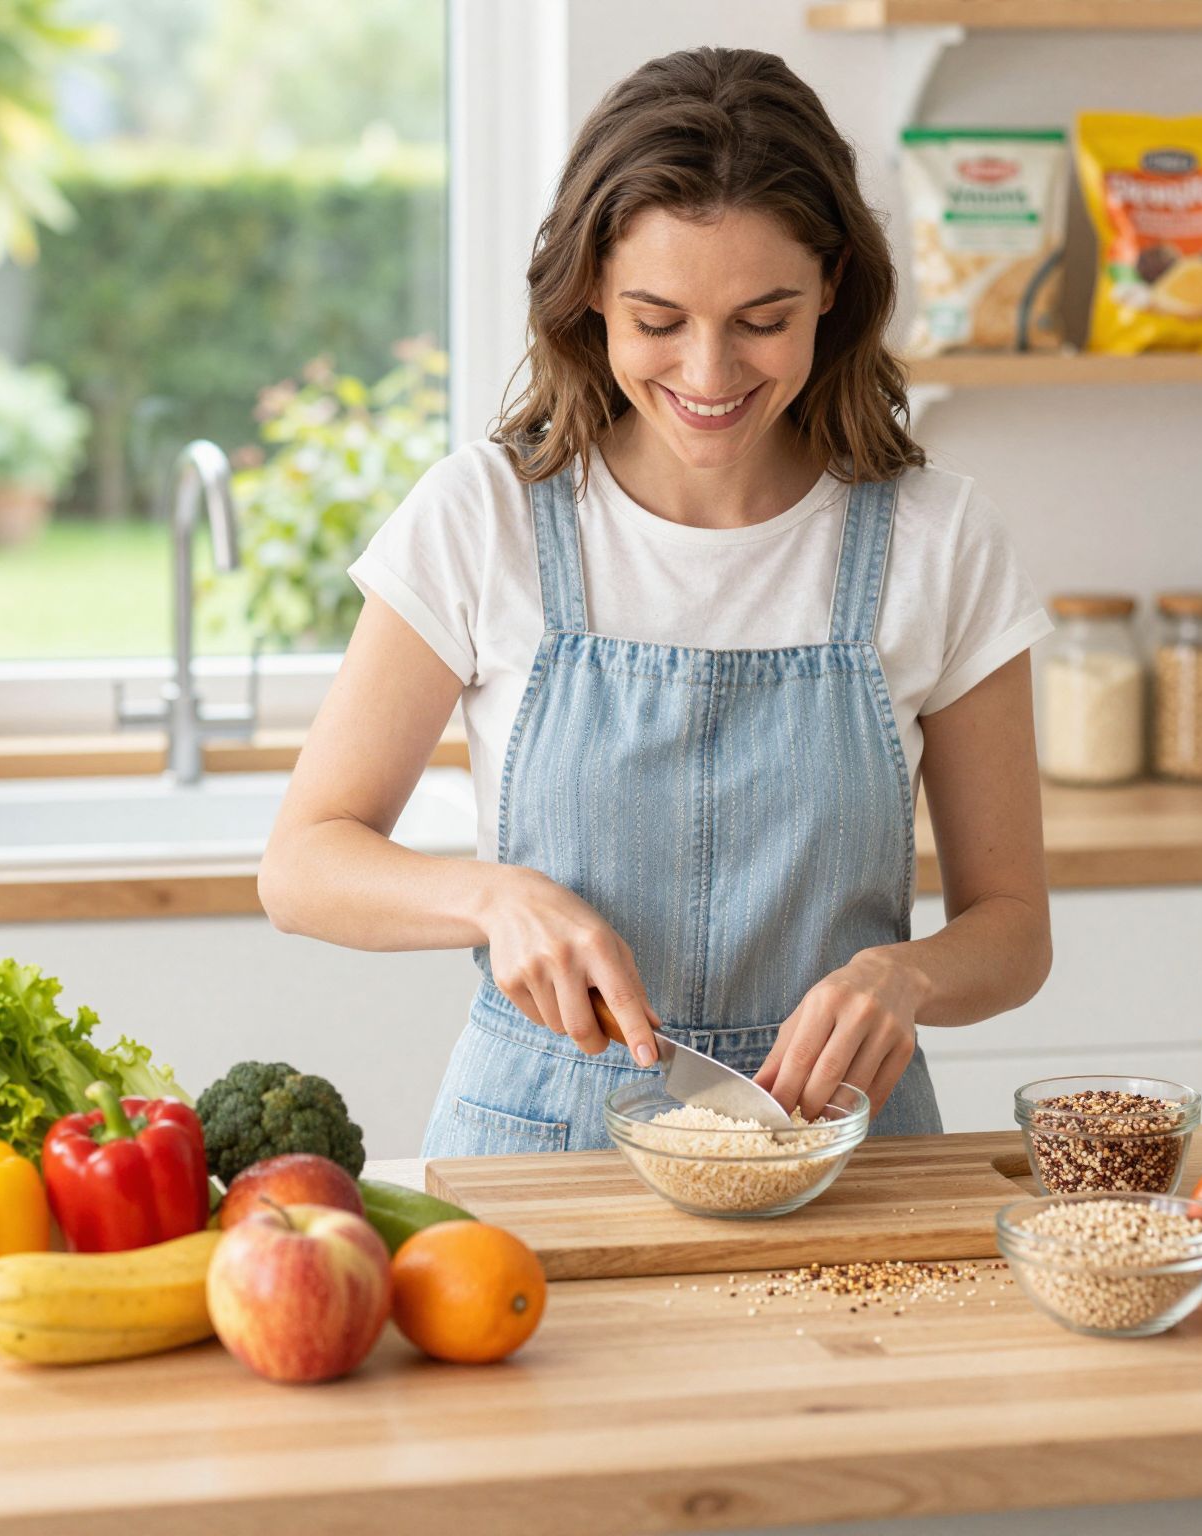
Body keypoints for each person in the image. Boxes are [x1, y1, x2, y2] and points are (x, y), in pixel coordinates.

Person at [260, 47, 1052, 1158]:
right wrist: (492, 902)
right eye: (658, 318)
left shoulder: (937, 539)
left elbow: (1013, 932)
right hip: (540, 1152)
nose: (709, 371)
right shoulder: (485, 516)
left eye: (762, 318)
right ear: (590, 292)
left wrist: (906, 975)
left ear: (832, 285)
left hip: (838, 1157)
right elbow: (301, 865)